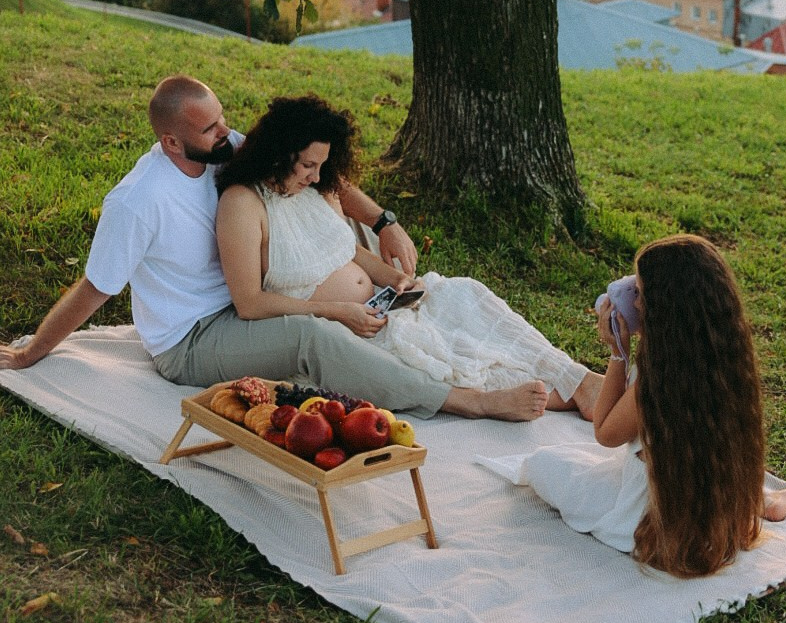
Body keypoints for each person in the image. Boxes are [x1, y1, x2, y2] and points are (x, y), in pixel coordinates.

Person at [0, 75, 549, 420]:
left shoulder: (225, 150)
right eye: (210, 129)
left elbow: (317, 175)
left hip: (249, 307)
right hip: (193, 340)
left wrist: (384, 220)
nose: (226, 133)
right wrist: (29, 353)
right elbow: (95, 288)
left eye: (222, 120)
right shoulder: (138, 201)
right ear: (172, 142)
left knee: (391, 305)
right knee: (312, 336)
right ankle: (466, 401)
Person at [213, 94, 602, 417]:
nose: (316, 176)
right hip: (345, 328)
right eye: (308, 165)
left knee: (464, 296)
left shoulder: (315, 188)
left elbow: (345, 251)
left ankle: (579, 378)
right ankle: (556, 396)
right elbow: (250, 303)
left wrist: (395, 280)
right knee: (447, 355)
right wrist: (338, 312)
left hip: (379, 306)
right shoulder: (243, 205)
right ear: (280, 154)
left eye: (322, 166)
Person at [479, 235, 786, 574]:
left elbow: (606, 433)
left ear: (664, 307)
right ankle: (763, 501)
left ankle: (765, 500)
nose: (633, 302)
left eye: (639, 293)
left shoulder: (661, 375)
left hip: (655, 514)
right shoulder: (729, 359)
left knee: (545, 463)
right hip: (719, 507)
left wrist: (618, 353)